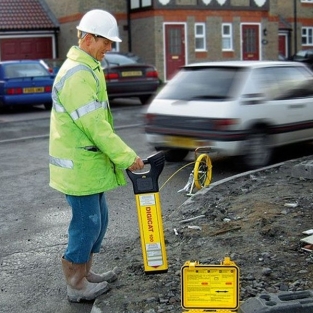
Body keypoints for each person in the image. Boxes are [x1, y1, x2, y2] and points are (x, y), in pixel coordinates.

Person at [48, 9, 144, 303]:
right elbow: (96, 127)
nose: (109, 48)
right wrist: (127, 156)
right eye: (106, 42)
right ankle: (75, 284)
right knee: (87, 223)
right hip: (79, 167)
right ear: (88, 39)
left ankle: (86, 272)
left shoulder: (89, 66)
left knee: (99, 219)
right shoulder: (78, 75)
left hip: (88, 165)